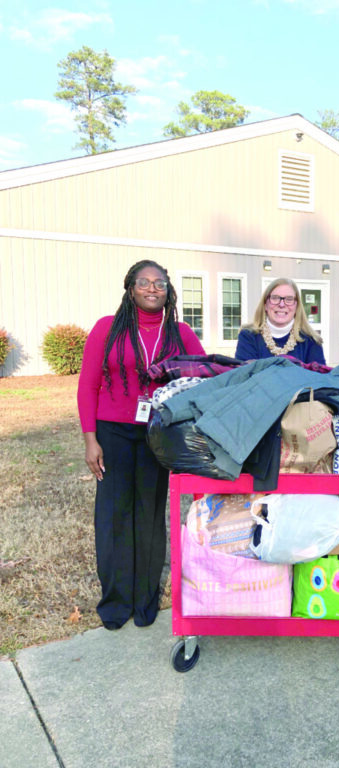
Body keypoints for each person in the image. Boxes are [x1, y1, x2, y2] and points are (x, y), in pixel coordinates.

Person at [77, 259, 205, 630]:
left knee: (149, 515)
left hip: (158, 432)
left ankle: (146, 600)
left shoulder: (179, 332)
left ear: (168, 290)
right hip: (113, 432)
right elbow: (88, 385)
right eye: (144, 282)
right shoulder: (108, 328)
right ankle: (116, 604)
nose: (152, 288)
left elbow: (205, 376)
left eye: (159, 282)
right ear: (130, 288)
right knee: (115, 516)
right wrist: (90, 439)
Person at [235, 278, 326, 364]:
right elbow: (244, 375)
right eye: (275, 298)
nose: (282, 304)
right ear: (265, 304)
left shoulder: (311, 341)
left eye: (289, 299)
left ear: (296, 306)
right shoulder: (248, 336)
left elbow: (319, 379)